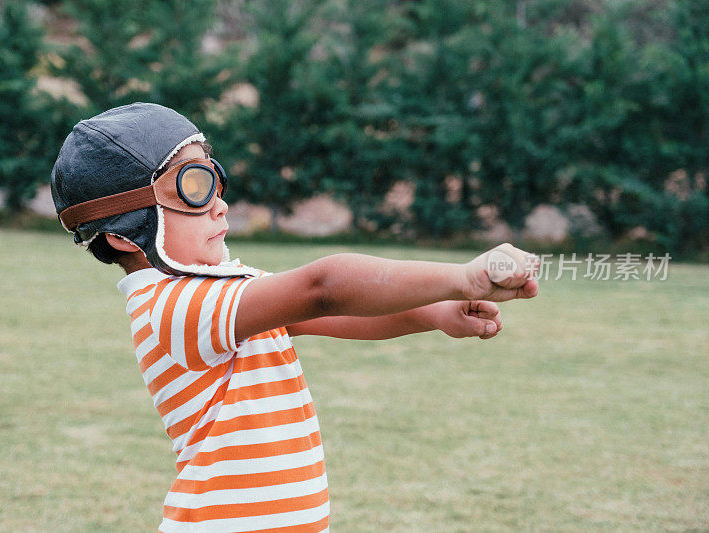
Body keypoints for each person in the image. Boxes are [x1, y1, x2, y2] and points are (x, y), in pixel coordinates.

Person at [50, 102, 540, 532]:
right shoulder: (173, 309)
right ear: (122, 234)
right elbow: (325, 289)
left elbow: (338, 313)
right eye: (194, 187)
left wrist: (433, 312)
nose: (219, 204)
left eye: (214, 179)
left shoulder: (219, 292)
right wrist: (461, 279)